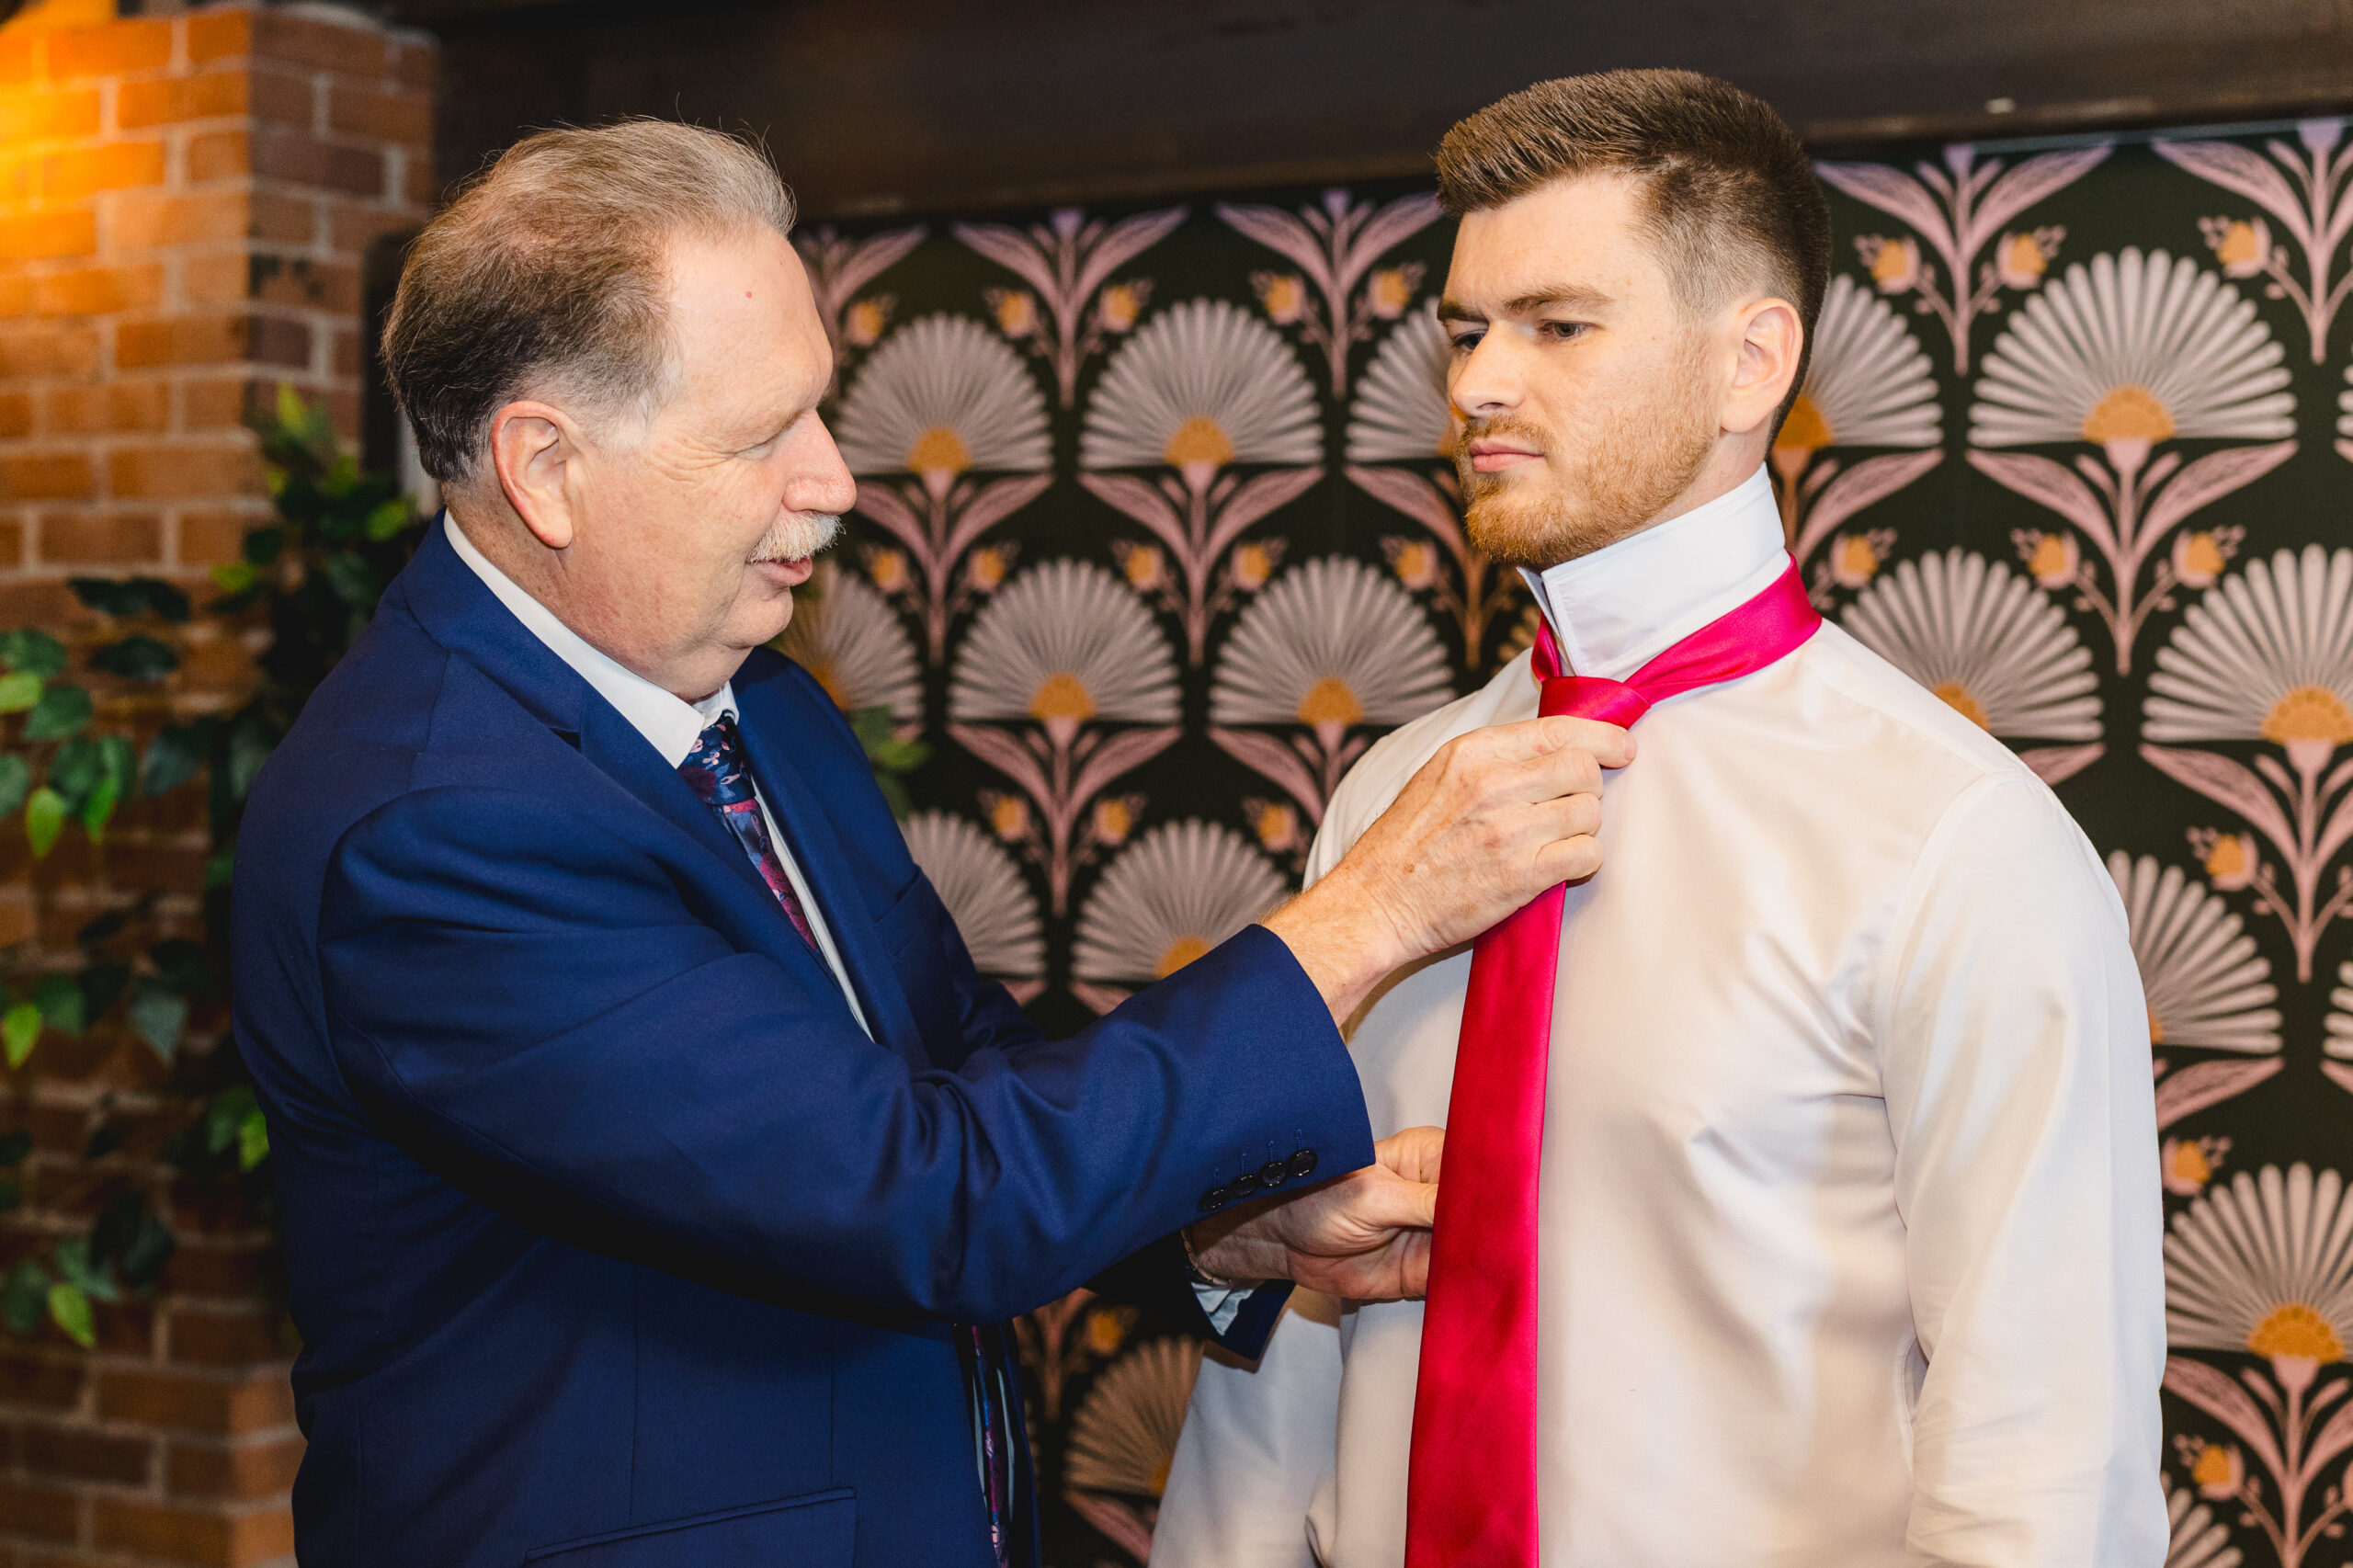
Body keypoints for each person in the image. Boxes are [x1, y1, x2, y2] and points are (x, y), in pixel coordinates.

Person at [230, 121, 1629, 1568]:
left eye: (818, 414)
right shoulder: (432, 830)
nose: (834, 481)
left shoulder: (756, 701)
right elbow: (924, 1196)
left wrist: (1214, 1230)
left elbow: (958, 1063)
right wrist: (1370, 913)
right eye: (764, 433)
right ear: (546, 467)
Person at [1155, 70, 2165, 1568]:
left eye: (1557, 326)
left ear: (1751, 358)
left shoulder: (1953, 842)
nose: (1479, 384)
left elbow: (2042, 1455)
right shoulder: (1395, 796)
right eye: (1465, 328)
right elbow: (1311, 1303)